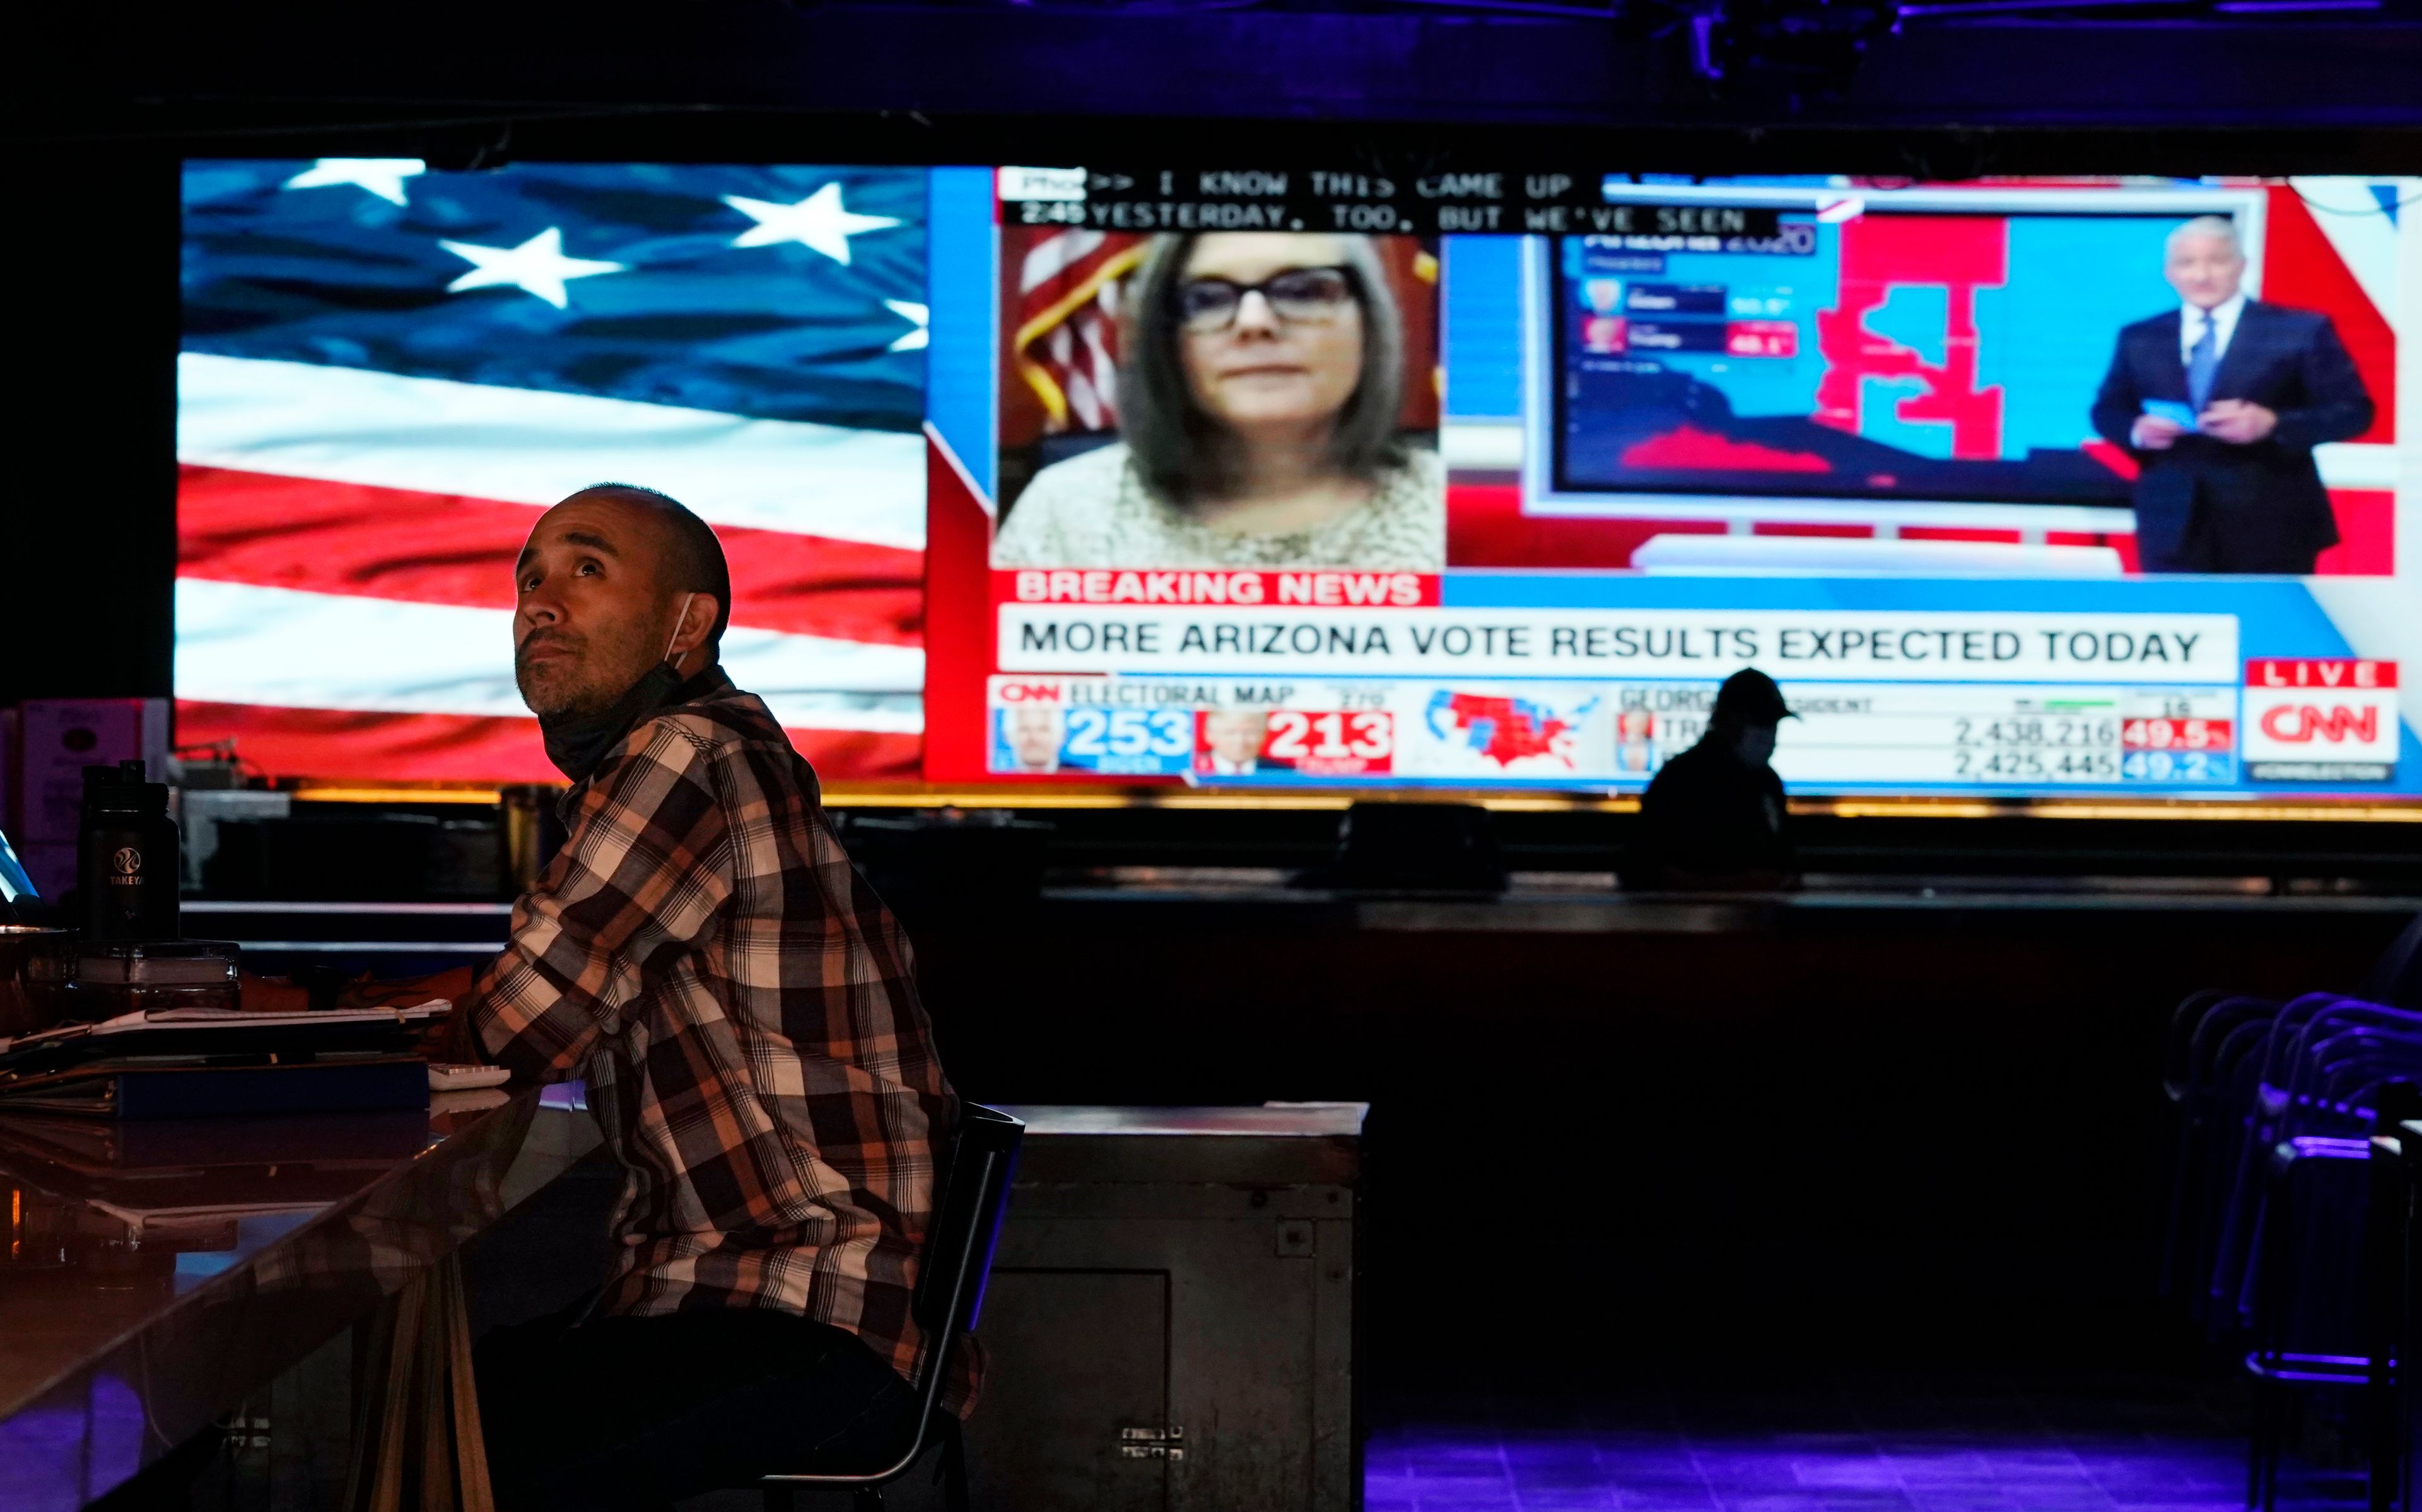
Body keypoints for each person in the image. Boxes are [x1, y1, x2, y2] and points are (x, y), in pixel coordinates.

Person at [249, 484, 967, 1509]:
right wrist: (323, 999)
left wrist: (267, 1034)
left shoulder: (688, 751)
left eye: (587, 569)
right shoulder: (710, 749)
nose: (540, 600)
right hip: (777, 1301)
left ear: (690, 622)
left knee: (465, 1436)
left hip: (807, 1315)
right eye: (527, 578)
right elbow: (539, 983)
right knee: (468, 1394)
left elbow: (513, 1026)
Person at [993, 231, 1444, 571]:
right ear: (1163, 340)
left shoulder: (1453, 507)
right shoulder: (1069, 508)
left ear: (1371, 323)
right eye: (1206, 299)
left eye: (1304, 291)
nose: (1254, 322)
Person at [2090, 215, 2373, 575]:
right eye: (2187, 263)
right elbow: (2107, 410)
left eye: (2217, 260)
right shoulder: (2141, 337)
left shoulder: (2299, 330)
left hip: (2273, 523)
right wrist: (2137, 430)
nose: (2202, 275)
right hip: (2170, 522)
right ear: (2169, 272)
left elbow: (2354, 412)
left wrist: (2272, 423)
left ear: (2241, 266)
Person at [1622, 669, 1798, 892]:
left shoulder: (1767, 782)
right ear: (1727, 719)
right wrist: (1733, 886)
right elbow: (1643, 871)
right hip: (1688, 921)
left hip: (1763, 921)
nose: (1768, 734)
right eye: (1758, 721)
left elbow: (1783, 858)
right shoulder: (1681, 780)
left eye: (1772, 723)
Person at [1197, 707, 1268, 776]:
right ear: (1209, 735)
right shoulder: (1190, 772)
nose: (1239, 741)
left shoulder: (1277, 771)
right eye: (1230, 733)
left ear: (1264, 735)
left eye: (1249, 732)